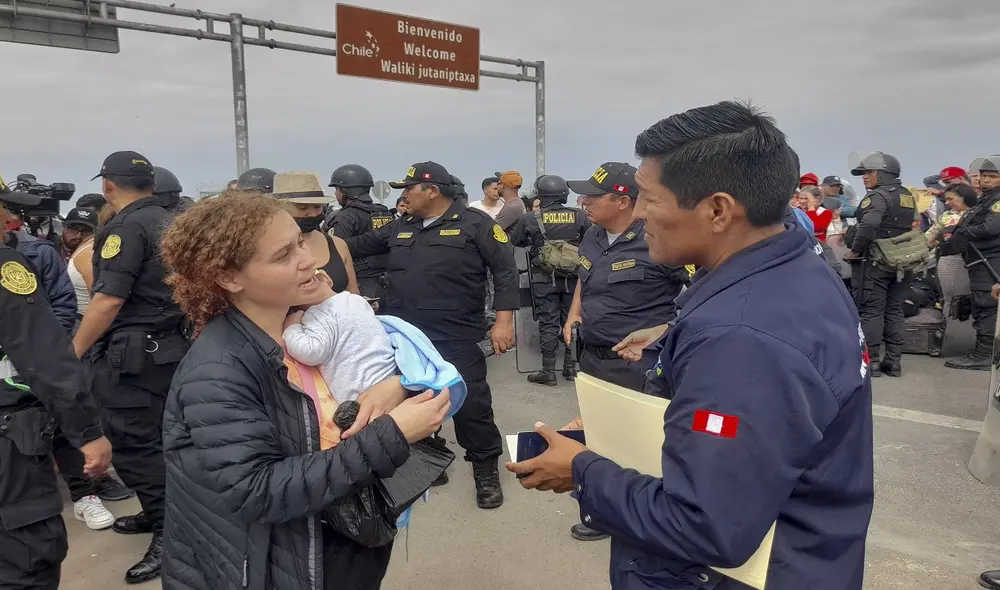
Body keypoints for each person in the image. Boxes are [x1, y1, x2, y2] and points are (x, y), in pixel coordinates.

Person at [507, 101, 874, 590]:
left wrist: (582, 471)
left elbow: (706, 526)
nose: (640, 215)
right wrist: (621, 423)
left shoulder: (741, 338)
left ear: (718, 210)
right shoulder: (793, 266)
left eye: (649, 199)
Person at [158, 194, 450, 590]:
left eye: (300, 242)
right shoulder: (218, 371)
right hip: (282, 562)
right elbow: (257, 490)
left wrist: (395, 384)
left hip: (338, 535)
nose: (308, 259)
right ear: (229, 278)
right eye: (283, 255)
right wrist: (393, 433)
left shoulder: (302, 325)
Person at [346, 161, 519, 509]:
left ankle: (485, 470)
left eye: (409, 188)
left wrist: (504, 322)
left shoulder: (475, 224)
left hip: (456, 335)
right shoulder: (401, 226)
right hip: (408, 338)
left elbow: (505, 272)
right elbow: (355, 246)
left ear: (432, 191)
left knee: (471, 407)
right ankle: (430, 459)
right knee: (415, 400)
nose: (404, 195)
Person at [72, 151, 190, 584]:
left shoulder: (124, 227)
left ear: (108, 186)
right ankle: (158, 512)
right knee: (166, 441)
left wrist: (73, 353)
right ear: (152, 185)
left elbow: (108, 299)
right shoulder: (172, 221)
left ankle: (169, 533)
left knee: (136, 447)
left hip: (135, 358)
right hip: (172, 348)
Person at [561, 161, 689, 542]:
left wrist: (666, 331)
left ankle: (642, 518)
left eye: (592, 196)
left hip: (639, 364)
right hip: (593, 357)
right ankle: (600, 509)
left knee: (639, 443)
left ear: (621, 201)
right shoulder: (592, 235)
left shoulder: (659, 238)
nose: (582, 202)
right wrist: (574, 313)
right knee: (598, 436)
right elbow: (585, 277)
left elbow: (703, 291)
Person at [0, 218, 113, 588]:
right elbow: (43, 353)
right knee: (27, 557)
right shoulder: (5, 265)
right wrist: (88, 432)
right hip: (9, 435)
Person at [512, 174, 589, 386]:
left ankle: (548, 371)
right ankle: (570, 367)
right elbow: (590, 240)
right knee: (572, 321)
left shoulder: (530, 218)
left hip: (543, 278)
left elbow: (517, 241)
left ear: (541, 194)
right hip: (573, 278)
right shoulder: (580, 216)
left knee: (548, 322)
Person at [845, 150, 914, 378]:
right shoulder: (906, 196)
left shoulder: (877, 196)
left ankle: (872, 361)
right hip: (900, 261)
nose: (865, 177)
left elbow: (869, 224)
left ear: (884, 173)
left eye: (870, 172)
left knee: (871, 310)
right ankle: (893, 362)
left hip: (874, 261)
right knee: (894, 309)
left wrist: (855, 249)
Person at [941, 157, 1000, 370]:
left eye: (992, 176)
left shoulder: (997, 200)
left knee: (987, 307)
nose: (986, 180)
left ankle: (984, 355)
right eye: (983, 176)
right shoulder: (986, 199)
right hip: (979, 261)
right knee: (983, 305)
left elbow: (991, 228)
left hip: (990, 261)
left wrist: (965, 232)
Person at [272, 171, 360, 296]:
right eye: (302, 208)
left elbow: (353, 294)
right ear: (280, 208)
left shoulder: (338, 245)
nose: (313, 214)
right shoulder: (266, 248)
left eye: (317, 206)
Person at [0, 192, 77, 331]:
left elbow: (63, 308)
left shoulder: (40, 252)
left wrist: (42, 341)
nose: (11, 216)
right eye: (5, 207)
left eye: (7, 208)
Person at [326, 165, 393, 302]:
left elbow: (337, 255)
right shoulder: (384, 212)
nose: (336, 194)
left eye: (337, 189)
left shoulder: (345, 217)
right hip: (388, 284)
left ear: (345, 191)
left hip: (359, 286)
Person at [494, 170, 527, 236]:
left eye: (498, 183)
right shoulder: (516, 203)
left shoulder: (512, 207)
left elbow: (491, 230)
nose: (496, 187)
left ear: (504, 186)